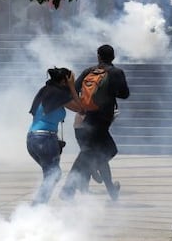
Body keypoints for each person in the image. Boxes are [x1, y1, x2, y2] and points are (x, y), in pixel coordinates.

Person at [60, 44, 130, 201]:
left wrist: (81, 105)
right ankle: (69, 188)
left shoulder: (88, 71)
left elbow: (74, 89)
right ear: (113, 57)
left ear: (98, 56)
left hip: (89, 118)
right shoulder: (116, 72)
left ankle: (79, 186)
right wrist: (111, 93)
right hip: (102, 119)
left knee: (91, 153)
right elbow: (125, 94)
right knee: (106, 151)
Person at [27, 67, 82, 205]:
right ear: (64, 81)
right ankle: (36, 208)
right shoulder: (58, 94)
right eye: (70, 80)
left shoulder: (45, 90)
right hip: (45, 139)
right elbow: (81, 109)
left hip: (32, 139)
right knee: (53, 174)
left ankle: (38, 208)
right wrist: (72, 87)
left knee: (51, 175)